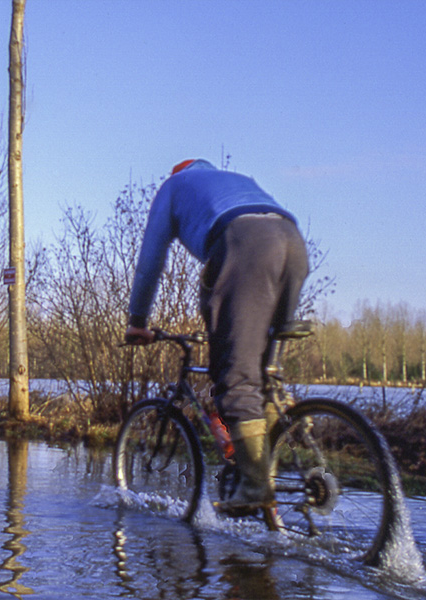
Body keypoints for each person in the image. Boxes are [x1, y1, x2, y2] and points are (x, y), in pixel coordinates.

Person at [124, 158, 309, 515]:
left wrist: (137, 320)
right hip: (293, 243)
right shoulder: (239, 178)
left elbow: (151, 259)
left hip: (246, 244)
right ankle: (263, 468)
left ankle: (255, 485)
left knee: (234, 377)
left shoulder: (173, 187)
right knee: (260, 375)